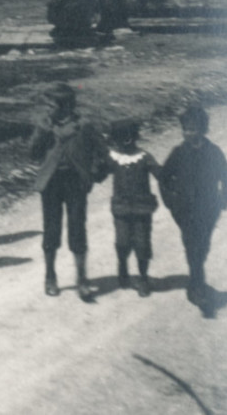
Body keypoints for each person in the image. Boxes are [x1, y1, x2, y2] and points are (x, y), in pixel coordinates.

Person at [29, 82, 106, 301]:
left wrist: (92, 174)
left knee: (77, 228)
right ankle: (50, 276)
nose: (47, 108)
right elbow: (32, 154)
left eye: (51, 104)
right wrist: (41, 133)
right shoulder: (44, 125)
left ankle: (82, 279)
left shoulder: (83, 126)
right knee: (51, 229)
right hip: (51, 183)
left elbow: (101, 153)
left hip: (75, 183)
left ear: (64, 106)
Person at [160, 102, 227, 318]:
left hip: (208, 210)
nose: (188, 133)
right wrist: (170, 201)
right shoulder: (178, 153)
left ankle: (196, 278)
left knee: (203, 247)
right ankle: (197, 288)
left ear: (203, 129)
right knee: (193, 248)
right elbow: (164, 177)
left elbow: (225, 179)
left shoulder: (214, 152)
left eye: (193, 129)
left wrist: (223, 202)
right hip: (185, 211)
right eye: (185, 129)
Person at [98, 119, 161, 297]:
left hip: (142, 209)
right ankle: (122, 265)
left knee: (142, 243)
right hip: (121, 208)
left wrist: (173, 176)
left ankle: (142, 278)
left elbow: (159, 173)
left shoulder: (144, 157)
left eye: (127, 139)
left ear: (133, 138)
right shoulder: (113, 158)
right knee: (122, 241)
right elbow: (99, 174)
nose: (123, 144)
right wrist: (94, 165)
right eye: (118, 140)